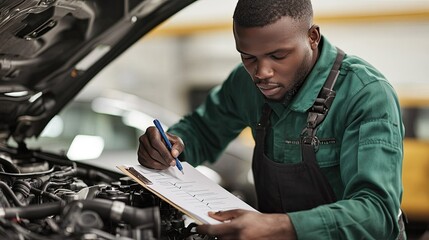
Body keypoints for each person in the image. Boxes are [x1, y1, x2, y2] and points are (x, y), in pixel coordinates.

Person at [137, 0, 406, 239]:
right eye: (248, 57)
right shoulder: (245, 83)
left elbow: (377, 213)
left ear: (312, 37)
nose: (261, 73)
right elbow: (203, 130)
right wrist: (171, 145)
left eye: (278, 56)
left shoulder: (366, 94)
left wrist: (280, 228)